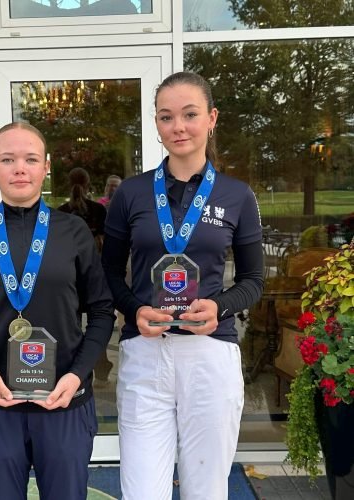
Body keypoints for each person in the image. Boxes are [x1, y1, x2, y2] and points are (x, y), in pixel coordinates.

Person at [102, 71, 263, 500]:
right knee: (142, 491)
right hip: (145, 352)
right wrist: (134, 309)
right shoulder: (132, 194)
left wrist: (220, 308)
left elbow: (253, 280)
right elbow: (109, 275)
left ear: (211, 118)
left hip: (210, 354)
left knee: (206, 490)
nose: (179, 127)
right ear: (156, 124)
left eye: (190, 114)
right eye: (166, 116)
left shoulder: (237, 195)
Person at [0, 122, 115, 500]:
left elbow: (102, 312)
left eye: (30, 159)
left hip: (64, 401)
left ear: (46, 167)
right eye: (8, 159)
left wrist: (78, 375)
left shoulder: (74, 232)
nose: (20, 168)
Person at [58, 167, 113, 384]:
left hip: (69, 277)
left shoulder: (60, 213)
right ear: (89, 184)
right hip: (95, 274)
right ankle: (100, 365)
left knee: (72, 325)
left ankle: (74, 371)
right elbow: (105, 243)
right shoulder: (98, 211)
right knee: (97, 321)